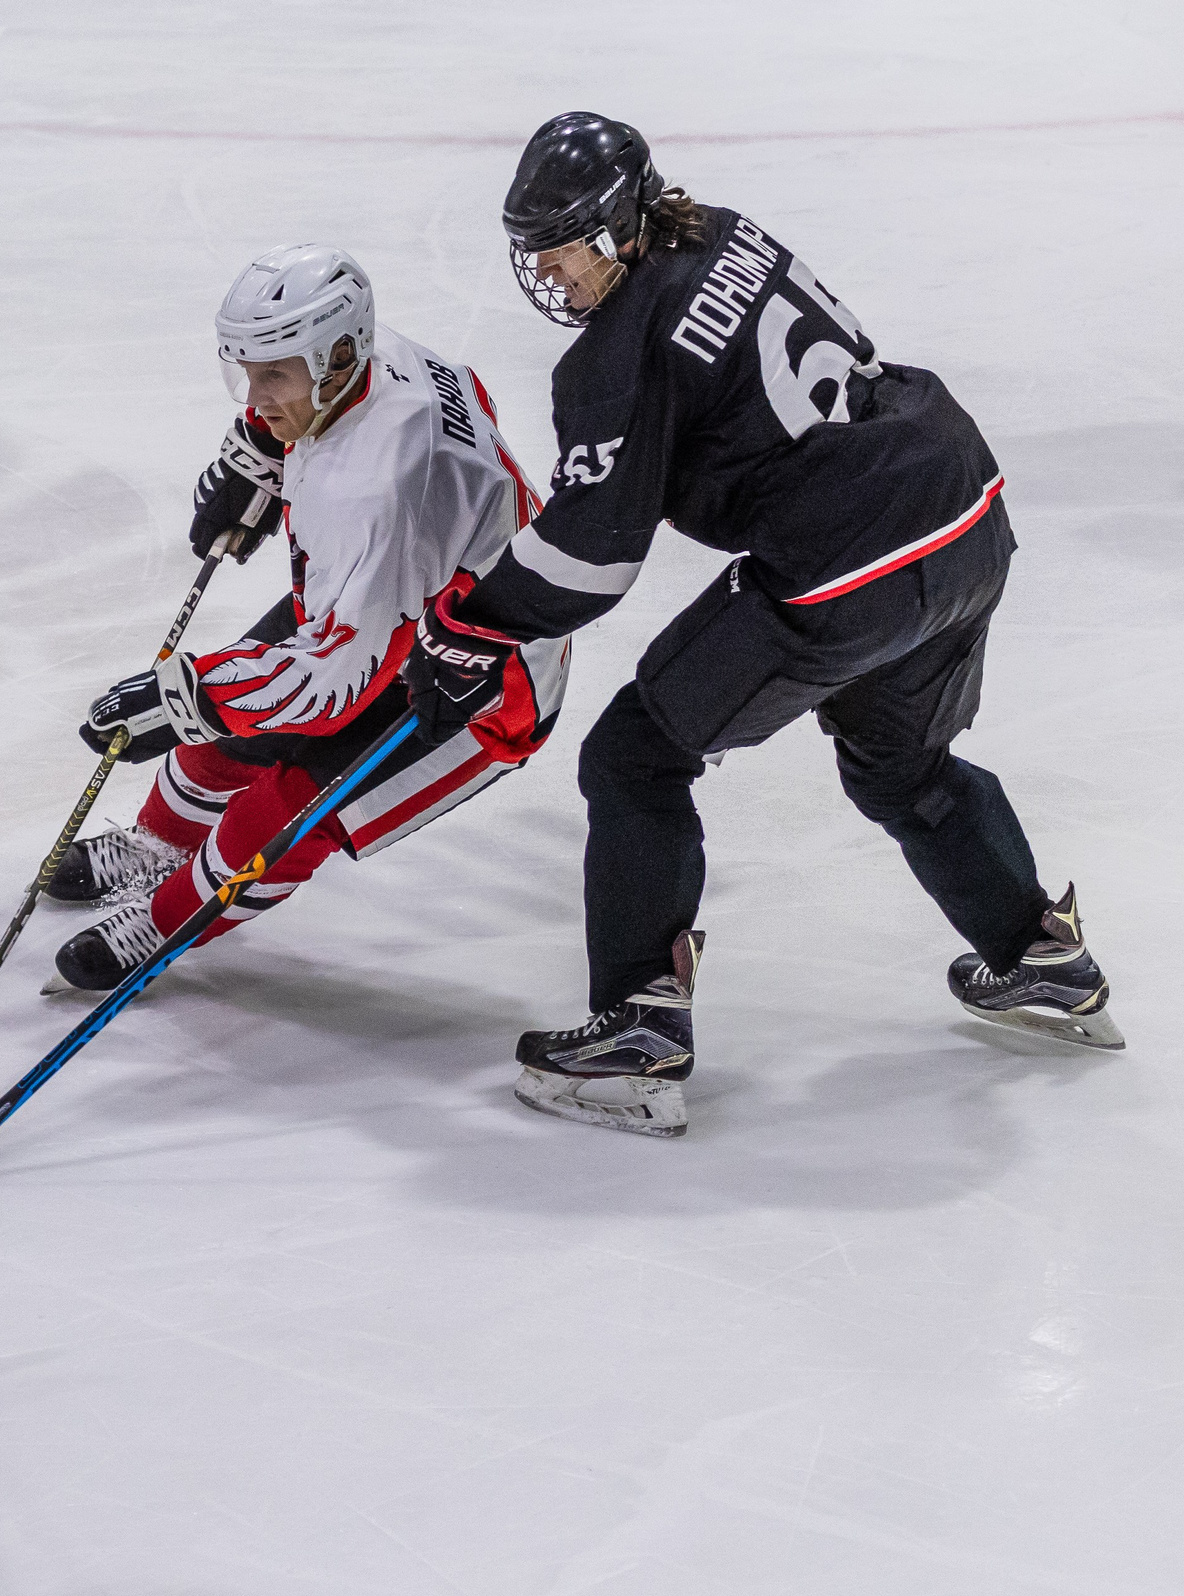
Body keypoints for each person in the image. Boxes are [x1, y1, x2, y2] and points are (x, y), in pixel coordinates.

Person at [402, 112, 1121, 1140]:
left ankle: (637, 1035)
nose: (549, 274)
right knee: (900, 767)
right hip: (962, 509)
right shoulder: (717, 230)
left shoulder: (616, 355)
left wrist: (472, 626)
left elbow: (593, 556)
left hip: (845, 567)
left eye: (561, 247)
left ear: (615, 229)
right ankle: (1040, 958)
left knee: (632, 761)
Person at [45, 244, 567, 992]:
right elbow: (469, 404)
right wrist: (260, 453)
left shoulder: (378, 491)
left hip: (482, 680)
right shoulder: (371, 360)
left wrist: (183, 697)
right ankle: (160, 842)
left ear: (339, 352)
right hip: (397, 597)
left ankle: (165, 917)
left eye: (273, 377)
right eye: (249, 374)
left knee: (292, 803)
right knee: (225, 734)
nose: (255, 398)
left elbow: (329, 692)